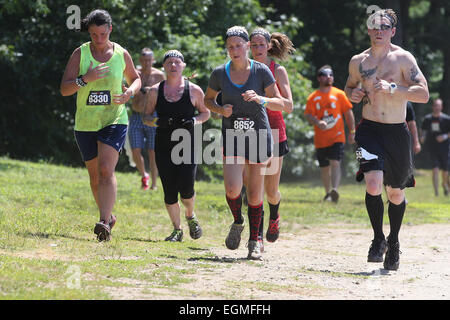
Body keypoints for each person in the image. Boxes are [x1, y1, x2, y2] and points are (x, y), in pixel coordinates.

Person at [345, 8, 429, 270]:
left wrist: (394, 88)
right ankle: (378, 239)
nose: (378, 31)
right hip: (369, 130)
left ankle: (393, 242)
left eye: (384, 27)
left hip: (396, 132)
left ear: (392, 31)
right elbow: (348, 87)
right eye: (374, 26)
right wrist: (353, 95)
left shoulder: (403, 59)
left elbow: (424, 93)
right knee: (373, 184)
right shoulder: (358, 61)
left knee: (394, 193)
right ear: (368, 30)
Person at [204, 26, 285, 260]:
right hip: (232, 136)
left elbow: (279, 103)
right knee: (232, 188)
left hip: (258, 135)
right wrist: (219, 109)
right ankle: (238, 221)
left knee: (255, 193)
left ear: (247, 46)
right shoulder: (219, 73)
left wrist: (261, 98)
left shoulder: (262, 72)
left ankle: (255, 240)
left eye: (239, 45)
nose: (234, 50)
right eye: (230, 47)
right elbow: (208, 100)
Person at [60, 9, 141, 241]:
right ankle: (108, 216)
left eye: (102, 34)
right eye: (94, 34)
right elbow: (65, 89)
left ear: (110, 30)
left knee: (107, 169)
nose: (98, 39)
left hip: (114, 118)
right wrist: (85, 78)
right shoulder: (80, 53)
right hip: (86, 122)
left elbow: (135, 79)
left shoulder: (121, 53)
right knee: (95, 177)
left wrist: (130, 94)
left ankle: (104, 222)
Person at [142, 50, 210, 242]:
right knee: (169, 190)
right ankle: (177, 230)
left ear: (183, 66)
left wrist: (194, 121)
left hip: (187, 145)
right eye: (169, 62)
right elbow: (145, 117)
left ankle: (190, 215)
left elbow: (206, 113)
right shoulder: (155, 90)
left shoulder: (194, 90)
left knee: (187, 190)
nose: (173, 65)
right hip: (163, 145)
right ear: (163, 66)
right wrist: (157, 122)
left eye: (177, 62)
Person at [244, 27, 294, 251]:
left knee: (271, 190)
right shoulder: (243, 69)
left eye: (261, 45)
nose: (257, 50)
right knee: (254, 189)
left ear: (269, 46)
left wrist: (262, 100)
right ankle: (257, 237)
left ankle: (275, 216)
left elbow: (289, 106)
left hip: (274, 132)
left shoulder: (277, 70)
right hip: (249, 131)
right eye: (253, 46)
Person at [305, 65, 355, 203]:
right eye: (325, 74)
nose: (329, 77)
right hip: (321, 139)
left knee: (335, 162)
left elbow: (348, 113)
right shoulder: (313, 97)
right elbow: (308, 115)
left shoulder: (339, 94)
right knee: (324, 167)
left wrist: (352, 131)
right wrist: (317, 121)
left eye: (331, 74)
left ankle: (335, 190)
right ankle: (328, 193)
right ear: (319, 78)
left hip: (337, 136)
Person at [129, 48, 165, 190]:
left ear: (153, 60)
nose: (147, 63)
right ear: (140, 61)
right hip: (136, 115)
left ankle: (154, 184)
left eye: (149, 60)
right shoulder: (135, 74)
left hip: (152, 116)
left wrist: (152, 91)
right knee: (135, 150)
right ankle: (144, 174)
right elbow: (127, 92)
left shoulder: (159, 75)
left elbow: (165, 94)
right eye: (144, 60)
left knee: (153, 151)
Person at [420, 98, 450, 196]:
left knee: (445, 171)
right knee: (435, 169)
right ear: (433, 107)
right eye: (435, 105)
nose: (437, 107)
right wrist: (422, 136)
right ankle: (436, 192)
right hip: (433, 148)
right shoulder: (428, 119)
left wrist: (444, 136)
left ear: (441, 107)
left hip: (445, 149)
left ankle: (444, 183)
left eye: (438, 105)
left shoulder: (446, 119)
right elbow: (423, 129)